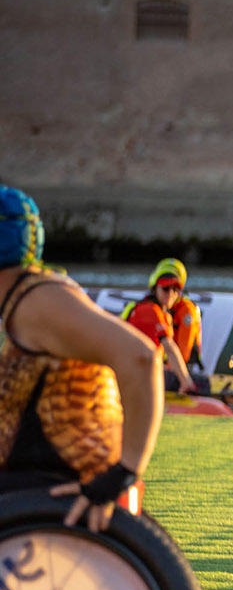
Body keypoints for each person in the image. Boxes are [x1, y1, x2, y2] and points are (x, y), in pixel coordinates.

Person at [0, 186, 164, 532]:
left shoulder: (38, 302)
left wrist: (125, 471)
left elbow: (141, 357)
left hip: (53, 483)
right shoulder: (25, 297)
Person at [121, 258, 202, 394]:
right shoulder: (151, 311)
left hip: (135, 370)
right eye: (165, 288)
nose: (170, 293)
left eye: (175, 289)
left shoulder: (143, 308)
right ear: (155, 289)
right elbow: (169, 348)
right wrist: (186, 382)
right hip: (134, 374)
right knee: (202, 384)